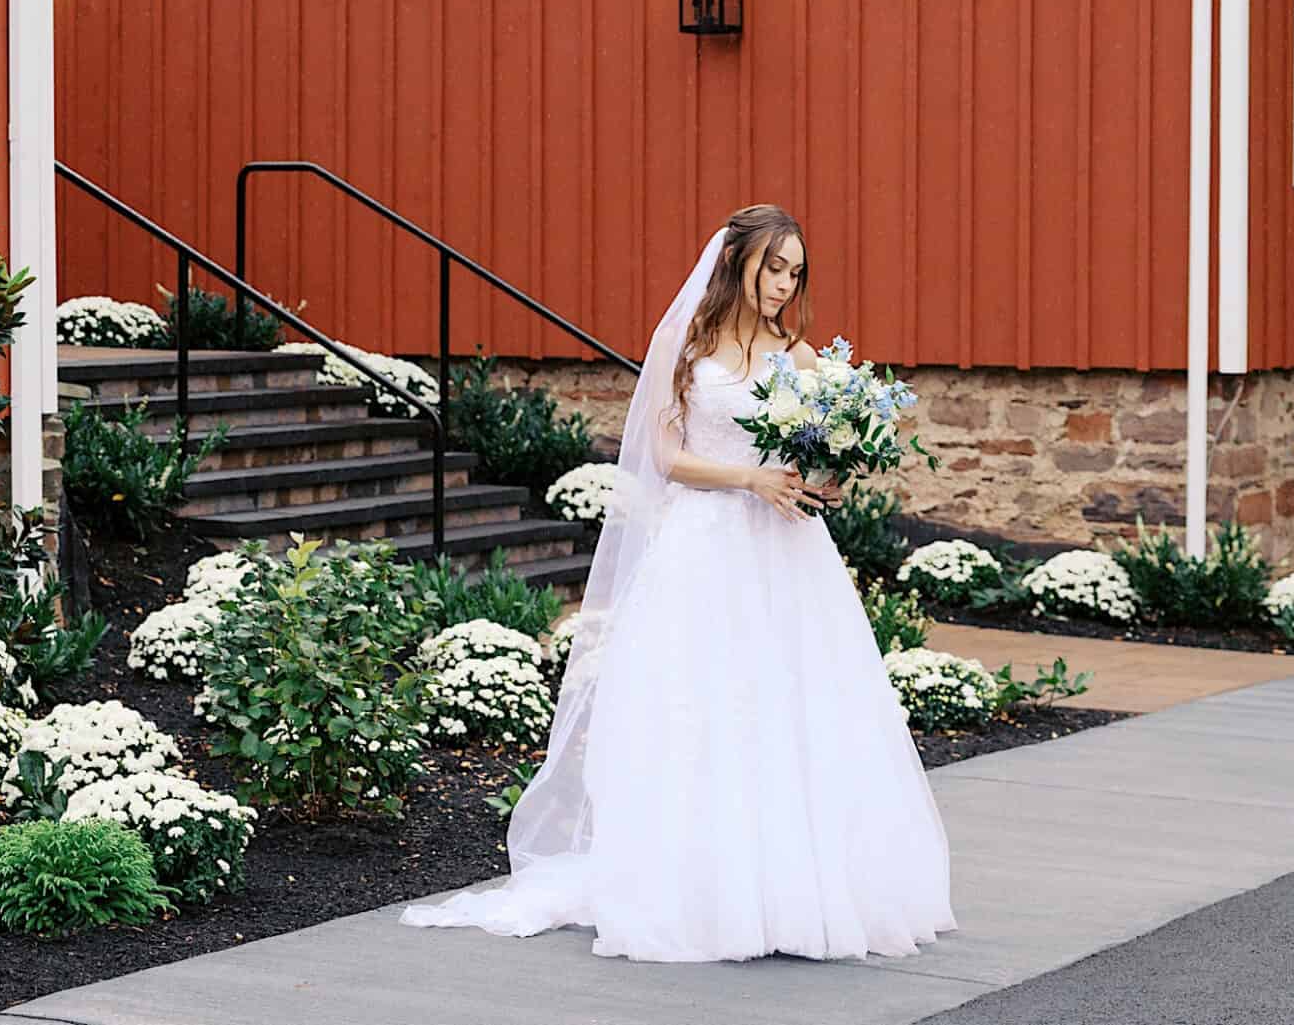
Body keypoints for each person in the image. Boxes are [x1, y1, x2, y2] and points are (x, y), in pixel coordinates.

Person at [402, 204, 955, 962]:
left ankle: (796, 886)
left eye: (796, 271)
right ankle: (706, 887)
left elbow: (825, 449)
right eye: (774, 267)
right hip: (706, 542)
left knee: (792, 705)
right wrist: (748, 477)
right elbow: (666, 456)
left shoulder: (795, 354)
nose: (785, 284)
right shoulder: (686, 343)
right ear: (737, 262)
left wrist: (823, 474)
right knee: (703, 709)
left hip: (786, 552)